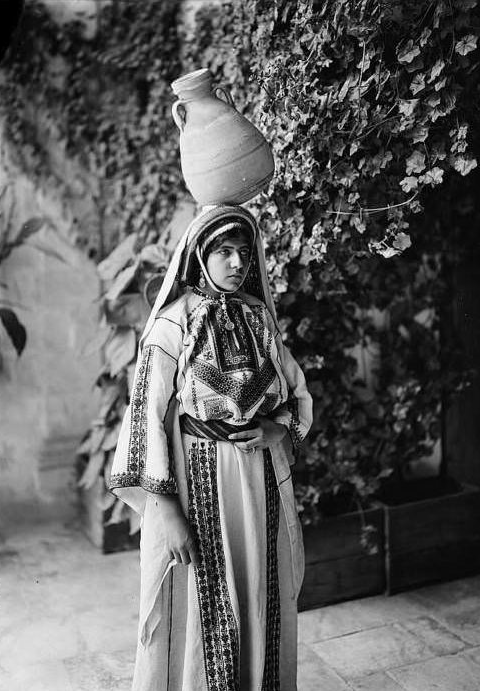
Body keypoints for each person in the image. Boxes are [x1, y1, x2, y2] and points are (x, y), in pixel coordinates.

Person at [109, 204, 313, 691]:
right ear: (200, 254)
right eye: (224, 251)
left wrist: (278, 430)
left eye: (244, 252)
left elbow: (295, 392)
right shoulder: (172, 327)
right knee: (206, 607)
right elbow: (146, 421)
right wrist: (167, 512)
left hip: (256, 480)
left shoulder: (259, 318)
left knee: (256, 589)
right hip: (198, 483)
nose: (238, 263)